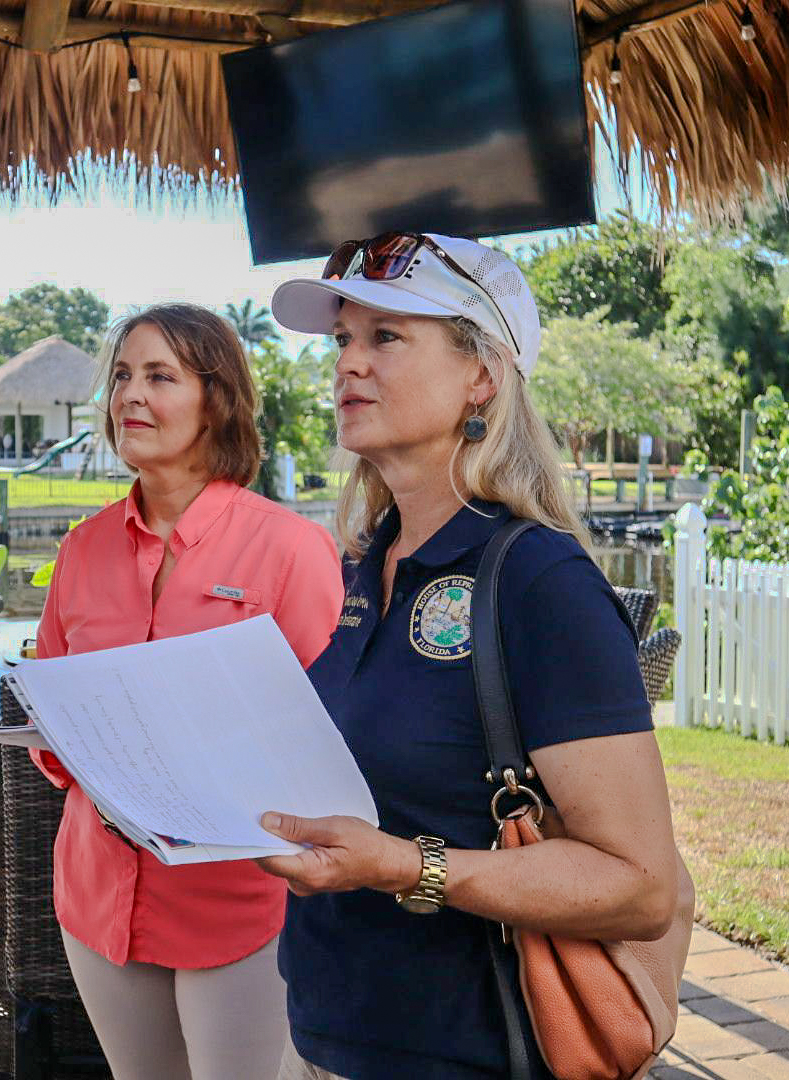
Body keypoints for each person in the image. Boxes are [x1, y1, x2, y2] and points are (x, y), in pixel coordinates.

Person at [259, 233, 681, 1080]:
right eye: (344, 338)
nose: (348, 364)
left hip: (470, 1050)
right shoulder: (362, 566)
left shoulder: (538, 579)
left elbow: (641, 887)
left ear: (481, 375)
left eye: (388, 337)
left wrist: (404, 867)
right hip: (323, 1031)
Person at [32, 303, 344, 1080]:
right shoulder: (83, 547)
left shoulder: (290, 549)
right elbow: (52, 709)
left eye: (160, 377)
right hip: (99, 890)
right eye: (123, 377)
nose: (131, 396)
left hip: (237, 903)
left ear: (218, 400)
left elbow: (328, 741)